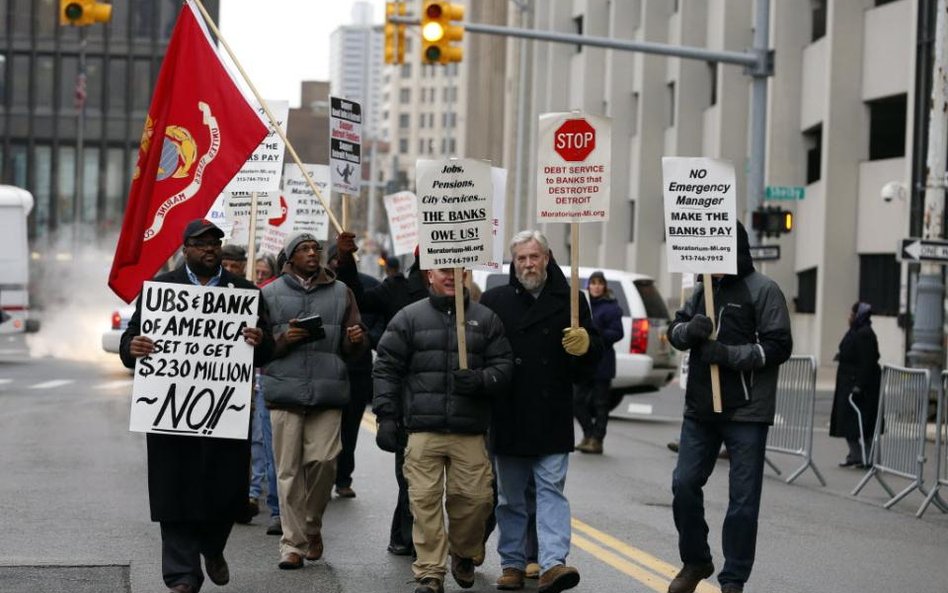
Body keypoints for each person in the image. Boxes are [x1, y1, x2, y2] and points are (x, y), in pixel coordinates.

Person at [119, 218, 274, 593]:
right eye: (201, 243)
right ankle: (181, 576)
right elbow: (131, 341)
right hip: (171, 414)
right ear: (185, 249)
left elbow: (268, 350)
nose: (209, 249)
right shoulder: (160, 290)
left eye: (214, 243)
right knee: (175, 493)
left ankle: (212, 547)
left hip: (224, 414)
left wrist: (260, 339)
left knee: (224, 493)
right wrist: (132, 347)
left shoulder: (244, 292)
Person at [665, 221, 792, 593]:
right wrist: (689, 332)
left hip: (747, 411)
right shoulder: (702, 289)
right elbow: (676, 331)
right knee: (683, 484)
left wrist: (728, 355)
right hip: (700, 409)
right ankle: (696, 560)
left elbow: (778, 347)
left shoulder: (764, 290)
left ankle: (733, 579)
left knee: (743, 502)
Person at [373, 267, 514, 593]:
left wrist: (481, 380)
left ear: (465, 273)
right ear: (430, 276)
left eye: (456, 270)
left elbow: (504, 367)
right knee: (423, 501)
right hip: (422, 430)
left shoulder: (486, 319)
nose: (450, 275)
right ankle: (430, 572)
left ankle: (464, 553)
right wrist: (387, 415)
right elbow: (386, 368)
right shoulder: (409, 318)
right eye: (442, 270)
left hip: (469, 432)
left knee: (476, 500)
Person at [480, 230, 602, 593]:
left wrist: (587, 347)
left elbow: (592, 362)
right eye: (521, 258)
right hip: (510, 411)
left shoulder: (572, 301)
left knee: (551, 491)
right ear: (513, 262)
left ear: (547, 258)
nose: (529, 264)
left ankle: (552, 563)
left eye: (534, 257)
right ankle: (512, 563)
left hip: (551, 411)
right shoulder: (495, 299)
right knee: (510, 496)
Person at [259, 231, 368, 570]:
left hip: (327, 392)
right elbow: (257, 348)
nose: (312, 253)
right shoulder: (268, 294)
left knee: (323, 462)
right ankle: (292, 545)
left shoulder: (340, 292)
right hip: (284, 393)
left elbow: (354, 347)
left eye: (316, 249)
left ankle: (311, 525)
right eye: (304, 249)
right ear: (289, 258)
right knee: (288, 472)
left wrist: (355, 338)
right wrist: (283, 340)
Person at [335, 243, 429, 557]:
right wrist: (346, 261)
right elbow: (356, 299)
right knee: (411, 474)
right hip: (408, 398)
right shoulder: (396, 289)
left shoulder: (462, 296)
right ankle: (406, 535)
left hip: (454, 399)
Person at [326, 237, 385, 498]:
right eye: (333, 261)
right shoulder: (319, 289)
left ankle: (343, 477)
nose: (336, 265)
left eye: (341, 260)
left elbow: (379, 322)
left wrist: (364, 337)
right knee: (326, 428)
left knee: (349, 427)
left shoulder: (368, 287)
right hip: (327, 367)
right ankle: (322, 477)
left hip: (357, 369)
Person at [574, 271, 624, 455]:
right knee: (576, 401)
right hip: (583, 361)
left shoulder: (611, 308)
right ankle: (588, 434)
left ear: (604, 286)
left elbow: (618, 333)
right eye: (592, 283)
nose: (596, 286)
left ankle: (597, 439)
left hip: (603, 361)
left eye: (599, 283)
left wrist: (597, 334)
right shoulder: (581, 305)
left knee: (601, 404)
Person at [830, 302, 881, 468]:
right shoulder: (857, 331)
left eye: (852, 313)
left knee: (862, 425)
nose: (849, 317)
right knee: (848, 424)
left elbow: (867, 361)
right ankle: (856, 455)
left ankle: (867, 458)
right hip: (849, 383)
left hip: (860, 387)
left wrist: (859, 385)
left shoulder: (865, 333)